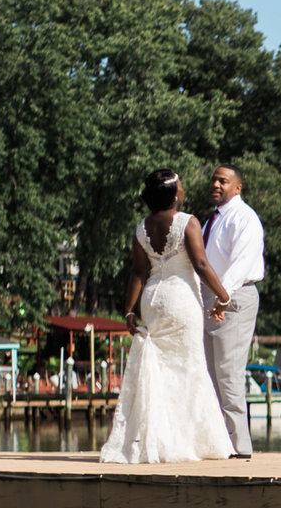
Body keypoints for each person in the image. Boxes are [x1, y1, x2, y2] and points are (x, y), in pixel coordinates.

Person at [100, 169, 236, 464]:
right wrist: (224, 296)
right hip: (181, 300)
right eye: (181, 186)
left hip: (152, 300)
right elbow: (200, 263)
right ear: (175, 194)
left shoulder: (141, 228)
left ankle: (158, 440)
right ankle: (189, 443)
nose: (184, 190)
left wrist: (129, 310)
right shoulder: (188, 222)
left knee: (159, 371)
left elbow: (138, 272)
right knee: (189, 368)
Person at [202, 164, 265, 458]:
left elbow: (240, 263)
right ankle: (220, 442)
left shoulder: (244, 219)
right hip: (212, 297)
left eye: (223, 181)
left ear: (237, 187)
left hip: (233, 297)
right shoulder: (212, 220)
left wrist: (223, 296)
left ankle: (240, 447)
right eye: (214, 179)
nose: (215, 184)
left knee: (228, 372)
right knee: (210, 374)